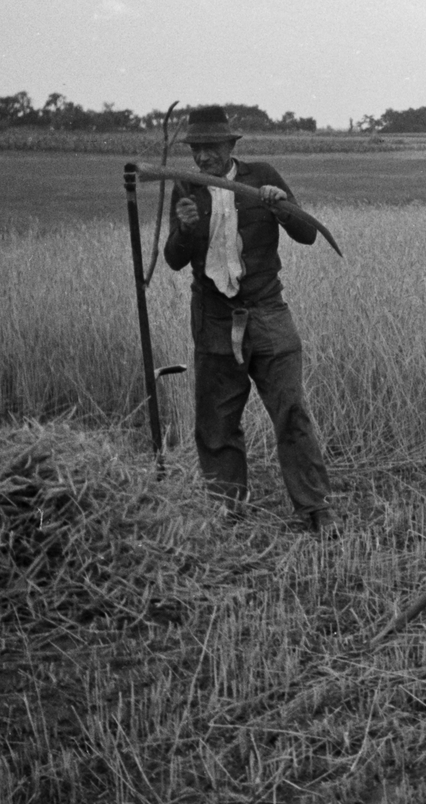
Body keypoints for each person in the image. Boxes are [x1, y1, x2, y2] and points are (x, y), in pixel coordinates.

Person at [163, 106, 336, 534]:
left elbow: (307, 234)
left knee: (291, 410)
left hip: (267, 312)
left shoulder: (262, 177)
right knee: (216, 420)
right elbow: (172, 259)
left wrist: (282, 208)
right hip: (213, 317)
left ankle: (315, 508)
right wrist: (184, 230)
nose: (203, 158)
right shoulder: (187, 187)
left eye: (211, 148)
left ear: (230, 146)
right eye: (196, 149)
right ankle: (227, 511)